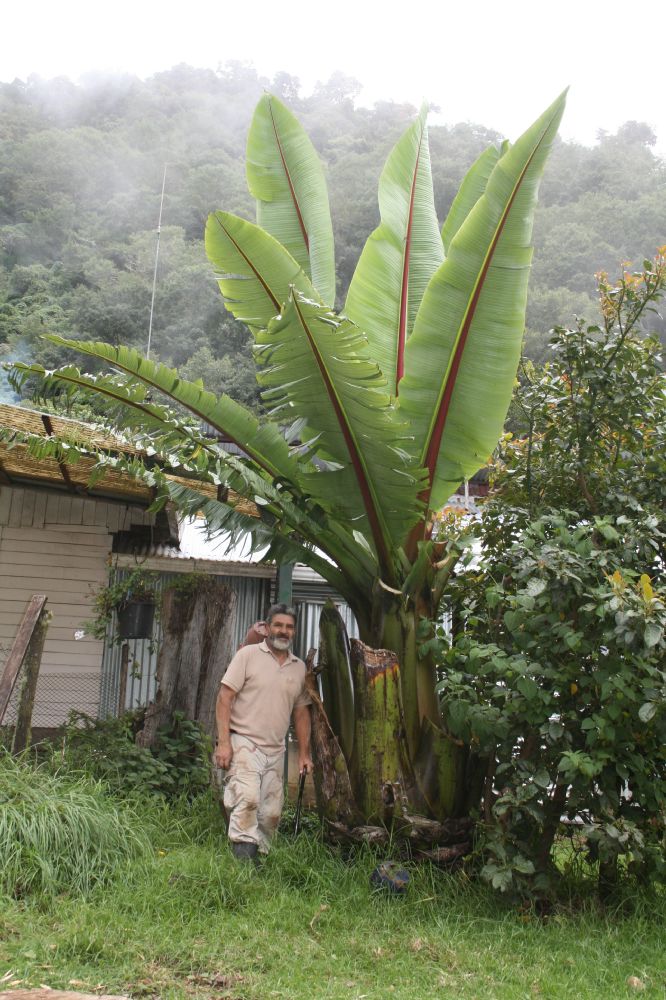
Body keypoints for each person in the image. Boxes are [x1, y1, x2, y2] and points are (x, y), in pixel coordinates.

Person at [214, 603, 313, 861]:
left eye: (289, 627)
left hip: (276, 748)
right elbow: (225, 697)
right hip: (245, 741)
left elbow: (301, 713)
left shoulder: (298, 668)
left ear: (294, 632)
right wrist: (224, 743)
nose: (283, 631)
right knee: (247, 799)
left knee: (271, 813)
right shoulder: (247, 655)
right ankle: (243, 867)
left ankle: (260, 861)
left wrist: (304, 754)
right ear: (268, 628)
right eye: (278, 625)